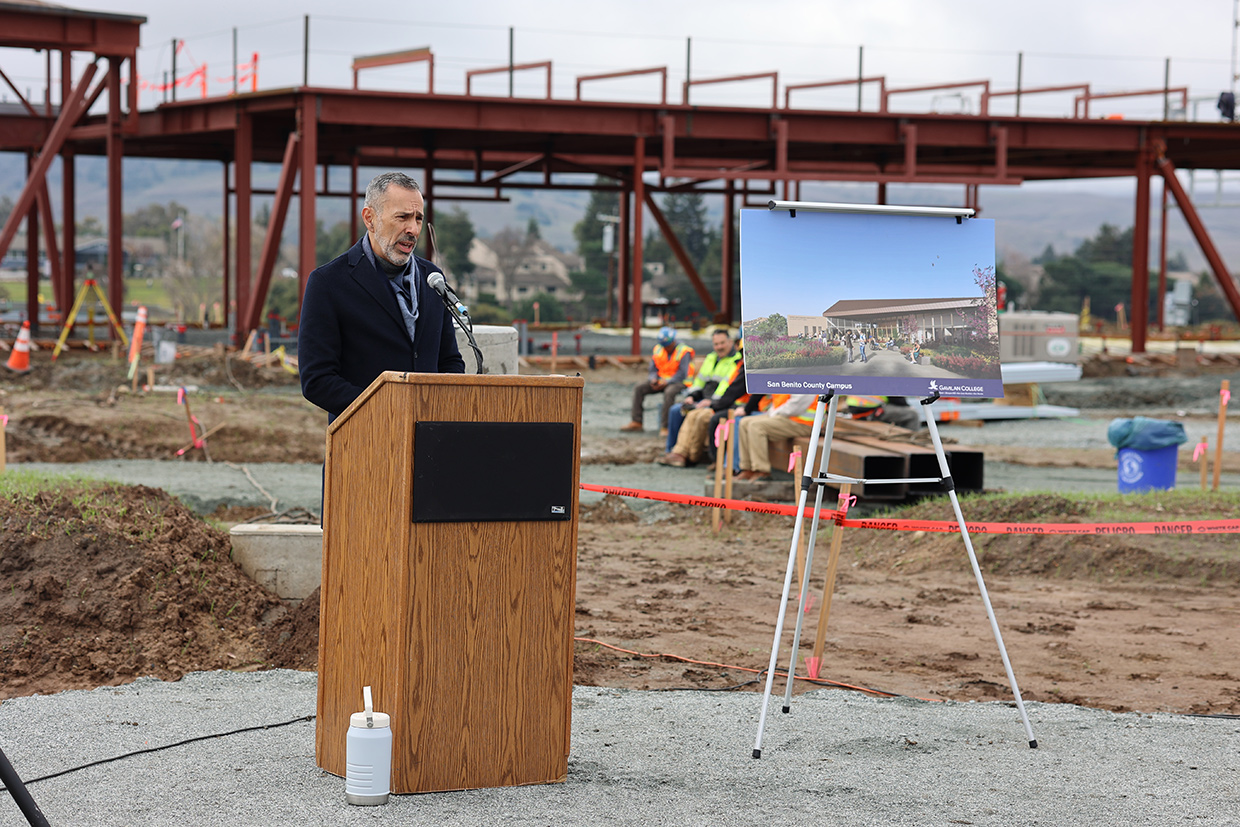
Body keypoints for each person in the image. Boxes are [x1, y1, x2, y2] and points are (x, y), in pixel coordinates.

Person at [299, 171, 465, 420]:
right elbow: (317, 379)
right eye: (402, 217)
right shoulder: (328, 283)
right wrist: (387, 410)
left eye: (418, 218)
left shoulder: (433, 278)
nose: (412, 229)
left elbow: (450, 360)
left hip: (429, 443)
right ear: (370, 218)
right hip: (362, 442)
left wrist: (439, 408)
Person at [657, 328, 743, 466]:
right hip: (704, 400)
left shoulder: (736, 361)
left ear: (730, 342)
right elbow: (699, 382)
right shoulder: (711, 358)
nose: (719, 347)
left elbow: (726, 388)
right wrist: (692, 396)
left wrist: (710, 402)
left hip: (717, 402)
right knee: (676, 410)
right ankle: (672, 451)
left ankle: (688, 455)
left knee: (697, 415)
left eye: (722, 343)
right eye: (716, 344)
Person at [621, 326, 694, 435]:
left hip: (679, 382)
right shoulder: (659, 349)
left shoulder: (684, 351)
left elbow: (682, 373)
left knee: (669, 393)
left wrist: (667, 382)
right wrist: (653, 379)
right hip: (661, 381)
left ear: (673, 341)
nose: (666, 348)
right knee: (639, 388)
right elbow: (653, 369)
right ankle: (637, 422)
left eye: (668, 346)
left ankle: (666, 426)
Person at [735, 394, 819, 481]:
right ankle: (748, 468)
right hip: (784, 416)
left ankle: (762, 471)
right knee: (744, 423)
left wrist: (774, 413)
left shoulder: (806, 381)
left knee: (756, 427)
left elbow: (796, 406)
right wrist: (774, 412)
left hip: (803, 422)